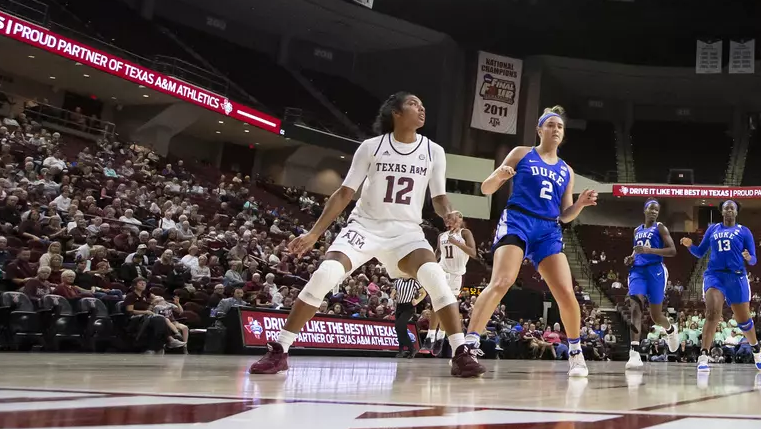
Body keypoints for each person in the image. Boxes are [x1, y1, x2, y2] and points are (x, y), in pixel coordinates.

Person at [249, 93, 468, 376]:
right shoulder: (371, 147)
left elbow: (439, 197)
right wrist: (315, 234)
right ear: (396, 112)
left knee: (436, 278)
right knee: (325, 273)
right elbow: (344, 193)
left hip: (406, 231)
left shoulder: (433, 151)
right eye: (414, 104)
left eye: (423, 105)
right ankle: (280, 349)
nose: (422, 108)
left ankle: (461, 353)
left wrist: (448, 212)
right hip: (365, 226)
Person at [457, 106, 599, 378]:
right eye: (551, 125)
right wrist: (499, 176)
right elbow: (486, 188)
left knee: (566, 293)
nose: (556, 129)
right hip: (519, 220)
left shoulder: (566, 170)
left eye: (560, 126)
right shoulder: (522, 153)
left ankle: (576, 352)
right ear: (540, 129)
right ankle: (470, 345)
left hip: (548, 229)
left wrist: (580, 204)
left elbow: (565, 216)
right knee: (501, 281)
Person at [680, 200, 761, 373]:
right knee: (712, 313)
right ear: (722, 211)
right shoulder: (712, 229)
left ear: (736, 212)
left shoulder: (744, 231)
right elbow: (700, 252)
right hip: (715, 275)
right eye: (726, 207)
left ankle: (755, 348)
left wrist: (748, 258)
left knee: (744, 321)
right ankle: (703, 355)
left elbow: (754, 259)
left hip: (736, 276)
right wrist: (690, 246)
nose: (729, 210)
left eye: (732, 207)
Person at [624, 198, 678, 371]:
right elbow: (636, 250)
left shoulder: (660, 227)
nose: (654, 212)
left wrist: (650, 251)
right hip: (638, 271)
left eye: (656, 210)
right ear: (644, 210)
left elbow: (672, 251)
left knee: (656, 316)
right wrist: (630, 258)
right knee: (635, 308)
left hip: (656, 271)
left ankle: (670, 330)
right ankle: (634, 352)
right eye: (651, 209)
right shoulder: (637, 230)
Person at [433, 214, 477, 355]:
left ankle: (440, 336)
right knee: (437, 301)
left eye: (451, 219)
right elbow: (438, 252)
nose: (448, 222)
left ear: (459, 220)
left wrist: (457, 243)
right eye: (446, 220)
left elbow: (473, 253)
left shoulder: (465, 233)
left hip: (457, 274)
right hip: (442, 269)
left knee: (449, 306)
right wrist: (432, 265)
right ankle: (430, 336)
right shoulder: (442, 236)